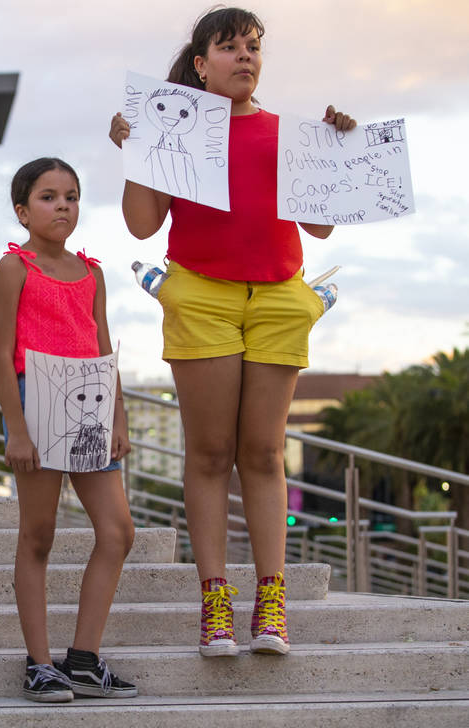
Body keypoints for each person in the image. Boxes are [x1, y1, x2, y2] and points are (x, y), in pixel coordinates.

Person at [109, 7, 357, 657]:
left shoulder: (286, 132)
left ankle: (270, 604)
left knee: (266, 454)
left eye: (252, 46)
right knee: (211, 453)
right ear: (200, 63)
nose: (244, 56)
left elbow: (323, 229)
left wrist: (333, 153)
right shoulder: (178, 130)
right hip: (202, 296)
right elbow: (140, 225)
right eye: (228, 47)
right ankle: (215, 602)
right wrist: (138, 147)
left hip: (279, 298)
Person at [0, 158, 137, 703]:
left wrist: (118, 415)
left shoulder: (92, 272)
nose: (63, 206)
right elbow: (3, 355)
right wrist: (17, 430)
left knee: (118, 530)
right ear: (23, 211)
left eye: (71, 196)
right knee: (40, 534)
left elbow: (102, 344)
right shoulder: (15, 269)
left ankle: (83, 659)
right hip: (37, 398)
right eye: (49, 198)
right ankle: (39, 662)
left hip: (90, 399)